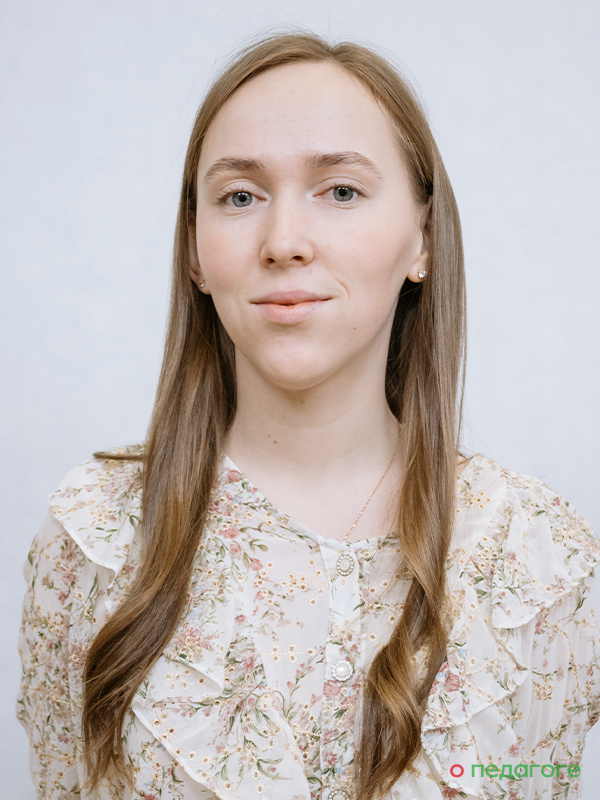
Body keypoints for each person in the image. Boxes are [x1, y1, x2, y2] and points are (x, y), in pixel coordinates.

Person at [16, 31, 600, 800]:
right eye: (240, 196)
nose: (284, 242)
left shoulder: (536, 556)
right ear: (194, 251)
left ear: (423, 238)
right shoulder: (96, 537)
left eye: (341, 191)